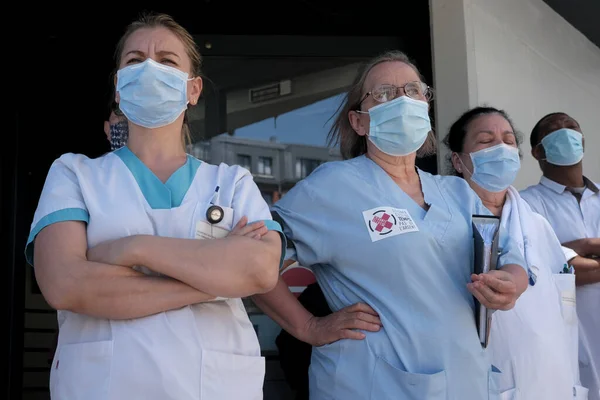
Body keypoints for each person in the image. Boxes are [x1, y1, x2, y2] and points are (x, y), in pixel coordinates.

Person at [25, 12, 283, 400]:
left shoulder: (232, 183)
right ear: (118, 87)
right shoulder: (74, 174)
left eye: (166, 60)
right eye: (134, 60)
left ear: (193, 89)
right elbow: (65, 284)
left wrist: (133, 248)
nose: (149, 68)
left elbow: (261, 271)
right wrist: (216, 279)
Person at [251, 50, 529, 400]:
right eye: (383, 93)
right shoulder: (332, 187)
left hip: (467, 379)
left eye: (413, 90)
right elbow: (250, 263)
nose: (402, 99)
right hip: (372, 384)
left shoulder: (457, 191)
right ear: (359, 122)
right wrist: (307, 326)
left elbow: (508, 252)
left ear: (426, 106)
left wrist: (512, 281)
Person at [444, 106, 588, 399]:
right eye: (486, 141)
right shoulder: (443, 224)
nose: (501, 148)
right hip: (487, 384)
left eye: (509, 140)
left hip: (555, 382)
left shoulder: (536, 224)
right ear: (458, 161)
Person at [520, 112, 600, 400]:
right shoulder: (527, 203)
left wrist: (577, 246)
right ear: (537, 151)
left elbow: (567, 260)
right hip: (569, 336)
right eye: (554, 130)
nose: (565, 132)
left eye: (572, 127)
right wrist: (568, 257)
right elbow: (554, 270)